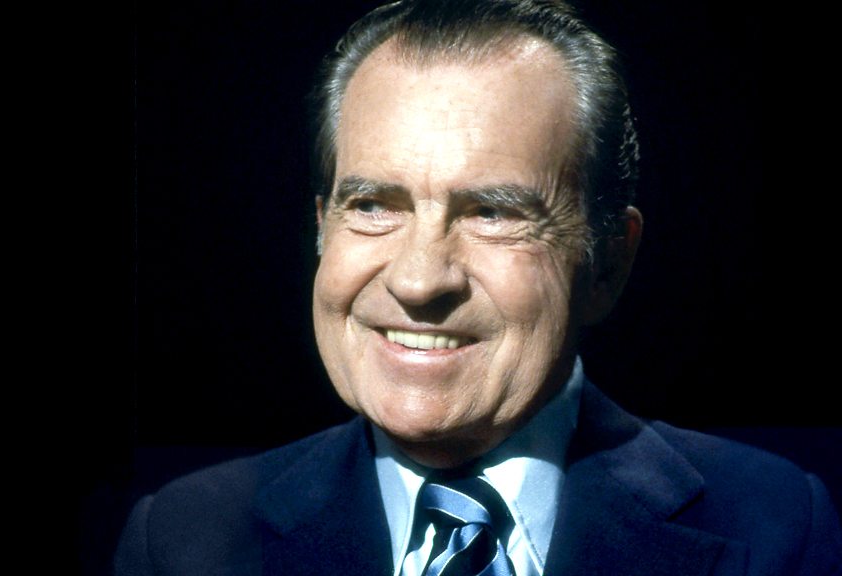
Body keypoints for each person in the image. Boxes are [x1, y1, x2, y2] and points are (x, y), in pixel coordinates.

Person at [114, 1, 842, 574]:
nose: (418, 279)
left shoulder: (776, 529)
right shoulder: (181, 542)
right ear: (321, 229)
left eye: (493, 214)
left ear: (608, 263)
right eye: (372, 206)